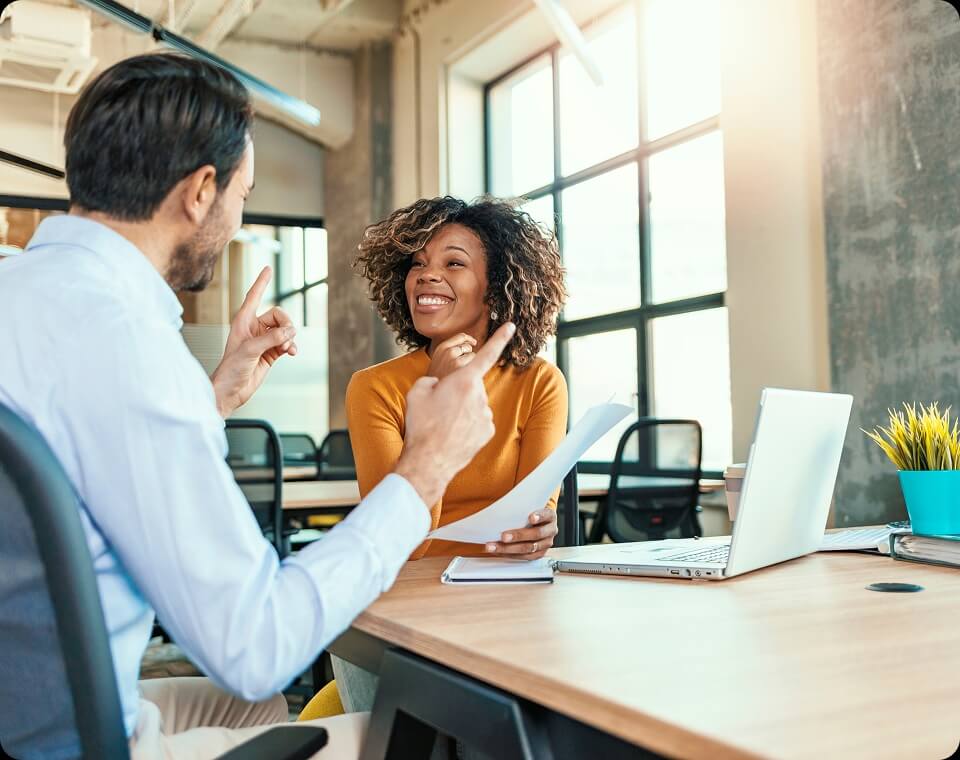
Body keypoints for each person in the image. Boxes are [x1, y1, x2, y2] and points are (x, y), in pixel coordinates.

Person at [0, 53, 516, 760]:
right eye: (242, 194)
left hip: (23, 694)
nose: (238, 219)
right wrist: (426, 466)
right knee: (418, 741)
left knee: (256, 709)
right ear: (200, 191)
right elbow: (255, 642)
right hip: (68, 741)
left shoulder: (23, 291)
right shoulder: (126, 344)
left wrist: (209, 398)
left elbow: (82, 453)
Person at [325, 196, 568, 716]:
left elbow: (533, 514)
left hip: (503, 596)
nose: (426, 276)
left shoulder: (540, 383)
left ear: (497, 285)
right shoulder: (375, 388)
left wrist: (541, 527)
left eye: (453, 263)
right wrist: (435, 391)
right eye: (417, 263)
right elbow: (403, 544)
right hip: (405, 602)